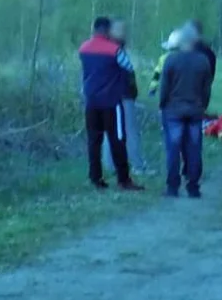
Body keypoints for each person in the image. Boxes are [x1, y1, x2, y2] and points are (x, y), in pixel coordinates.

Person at [78, 17, 144, 191]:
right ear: (107, 30)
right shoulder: (114, 50)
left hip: (91, 102)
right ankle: (123, 179)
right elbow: (128, 67)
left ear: (94, 29)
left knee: (94, 141)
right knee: (117, 140)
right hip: (111, 102)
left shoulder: (83, 48)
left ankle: (95, 178)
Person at [159, 26, 213, 198]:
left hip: (173, 110)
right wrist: (203, 106)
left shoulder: (171, 60)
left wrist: (163, 105)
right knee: (194, 149)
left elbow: (164, 87)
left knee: (173, 150)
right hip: (195, 111)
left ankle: (172, 187)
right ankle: (193, 187)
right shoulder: (203, 61)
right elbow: (206, 89)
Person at [101, 19, 147, 175]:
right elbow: (126, 72)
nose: (124, 32)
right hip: (122, 95)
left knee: (111, 130)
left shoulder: (108, 48)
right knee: (130, 130)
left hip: (111, 95)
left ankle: (110, 164)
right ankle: (137, 164)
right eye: (121, 29)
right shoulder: (115, 49)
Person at [149, 29, 182, 96]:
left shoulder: (163, 58)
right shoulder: (187, 59)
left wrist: (153, 88)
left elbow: (156, 74)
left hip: (167, 91)